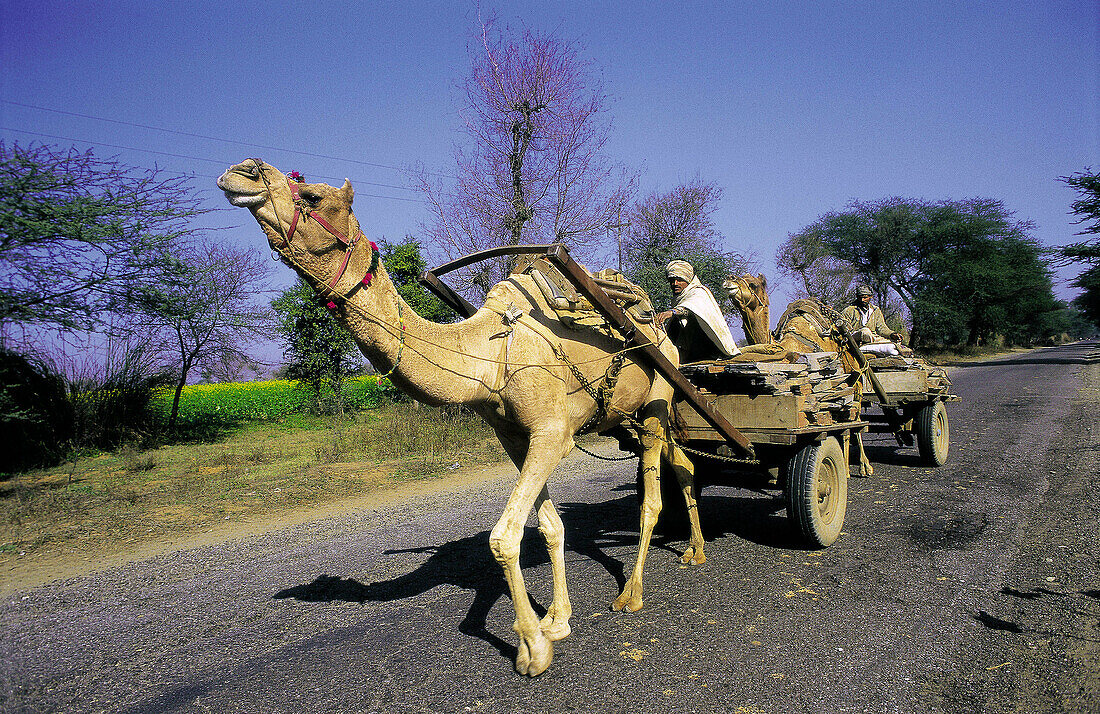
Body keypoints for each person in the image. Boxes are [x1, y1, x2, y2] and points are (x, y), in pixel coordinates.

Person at [655, 260, 740, 363]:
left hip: (706, 348)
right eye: (672, 281)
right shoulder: (679, 298)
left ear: (687, 280)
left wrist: (672, 312)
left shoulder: (699, 292)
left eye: (679, 280)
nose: (675, 284)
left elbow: (691, 306)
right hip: (689, 347)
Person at [841, 285, 902, 354]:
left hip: (873, 337)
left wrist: (892, 334)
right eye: (860, 298)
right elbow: (844, 328)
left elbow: (882, 328)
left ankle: (869, 346)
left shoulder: (876, 310)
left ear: (870, 297)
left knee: (895, 344)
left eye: (865, 297)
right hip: (855, 336)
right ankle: (872, 345)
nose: (862, 300)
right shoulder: (849, 310)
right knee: (865, 331)